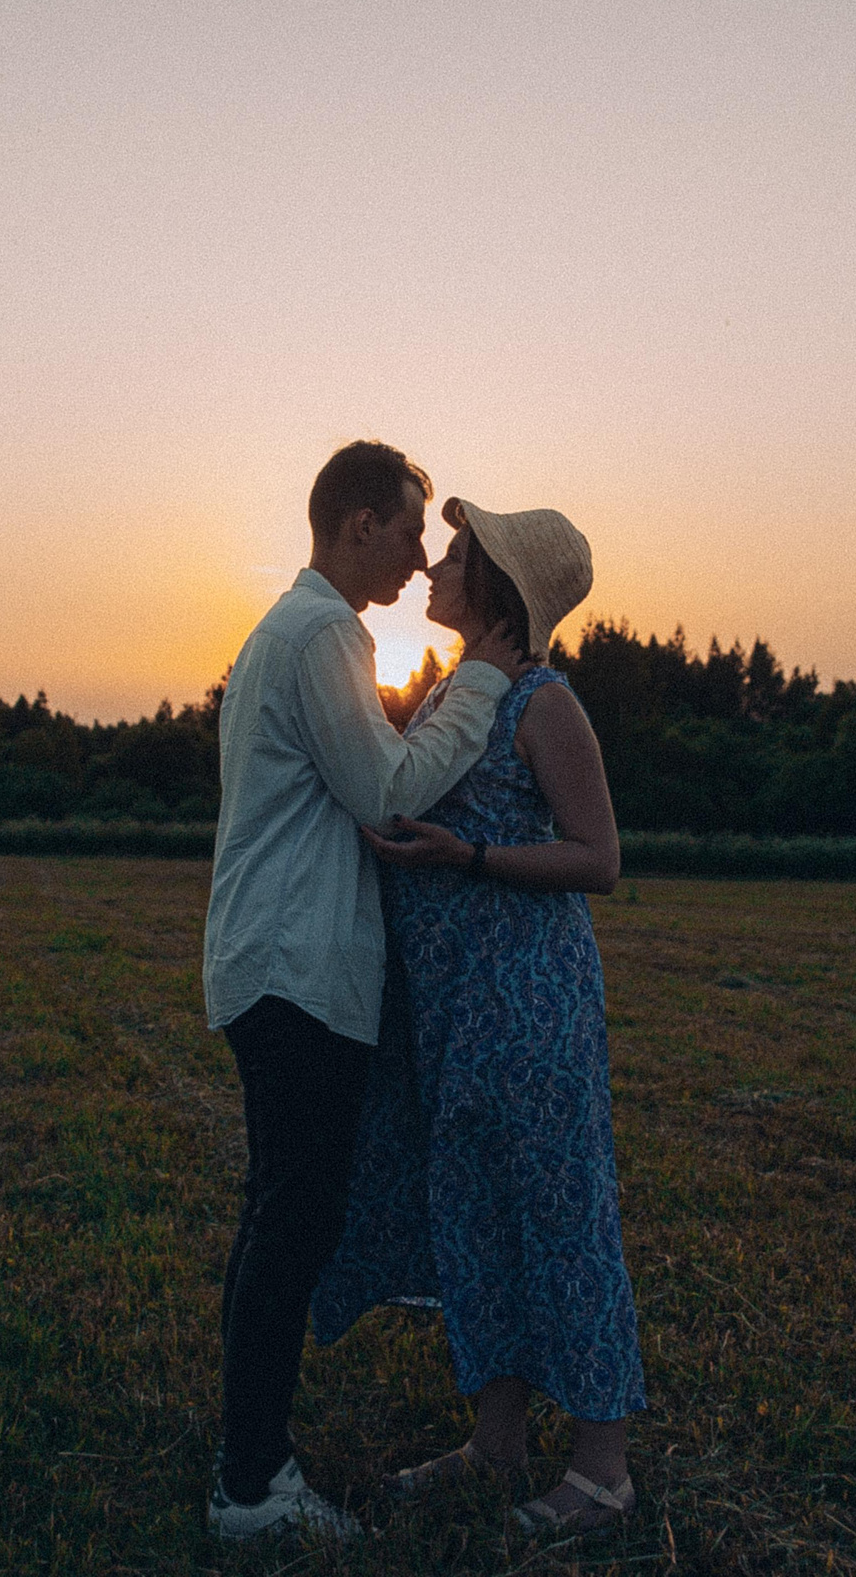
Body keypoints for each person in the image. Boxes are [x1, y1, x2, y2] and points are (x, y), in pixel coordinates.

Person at [200, 442, 525, 1541]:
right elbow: (387, 800)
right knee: (292, 1222)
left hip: (271, 963)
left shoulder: (279, 635)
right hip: (295, 969)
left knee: (275, 1218)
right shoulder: (323, 634)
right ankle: (251, 1490)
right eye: (407, 528)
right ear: (355, 525)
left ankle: (249, 1465)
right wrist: (482, 680)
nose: (422, 554)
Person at [313, 498, 646, 1537]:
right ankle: (495, 1442)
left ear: (497, 585)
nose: (434, 561)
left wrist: (471, 859)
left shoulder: (544, 702)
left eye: (456, 551)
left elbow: (597, 859)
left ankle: (601, 1470)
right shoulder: (460, 689)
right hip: (455, 1012)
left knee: (560, 1218)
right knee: (471, 1219)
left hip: (531, 1006)